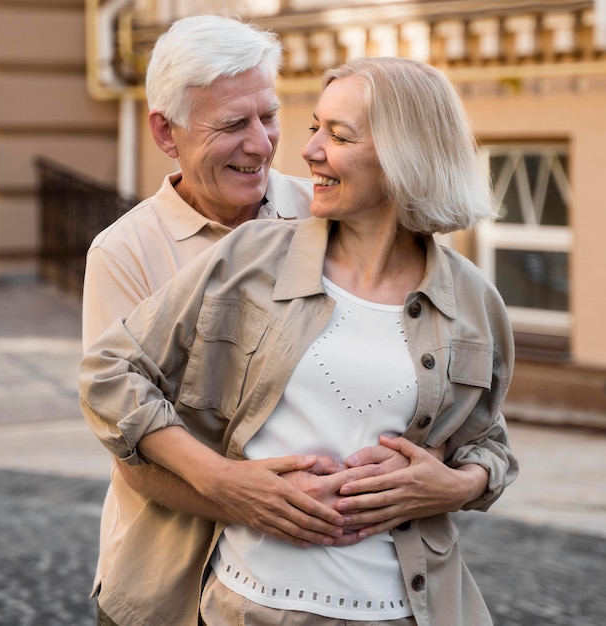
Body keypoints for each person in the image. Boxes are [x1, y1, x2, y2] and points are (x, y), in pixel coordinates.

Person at [80, 56, 518, 625]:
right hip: (246, 608)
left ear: (405, 156)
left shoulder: (474, 301)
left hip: (408, 611)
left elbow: (490, 443)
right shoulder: (252, 257)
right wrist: (225, 481)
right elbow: (111, 374)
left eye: (337, 135)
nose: (308, 150)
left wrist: (456, 487)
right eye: (314, 127)